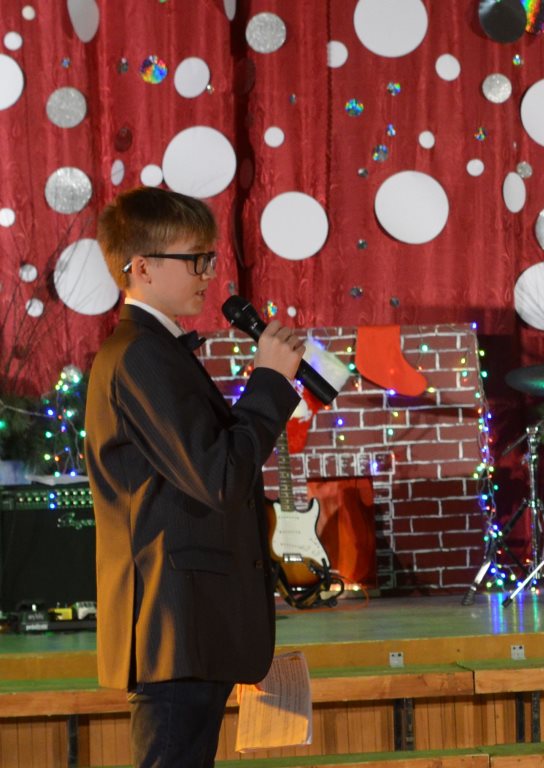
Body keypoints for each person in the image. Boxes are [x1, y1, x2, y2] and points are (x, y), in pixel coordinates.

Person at [85, 187, 304, 767]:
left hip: (189, 624)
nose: (209, 274)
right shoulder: (139, 354)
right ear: (142, 267)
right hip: (172, 623)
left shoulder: (156, 350)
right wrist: (268, 385)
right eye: (195, 259)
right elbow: (220, 475)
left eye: (210, 258)